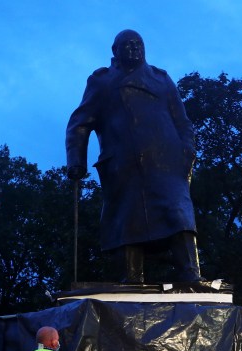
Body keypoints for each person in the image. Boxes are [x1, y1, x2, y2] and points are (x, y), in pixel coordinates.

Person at [66, 29, 202, 284]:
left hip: (167, 163)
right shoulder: (102, 82)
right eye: (127, 45)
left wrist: (187, 152)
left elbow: (182, 122)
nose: (134, 48)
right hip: (123, 165)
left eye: (138, 44)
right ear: (114, 50)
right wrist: (76, 161)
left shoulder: (162, 80)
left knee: (179, 214)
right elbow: (80, 123)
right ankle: (132, 278)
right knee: (128, 220)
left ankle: (191, 274)